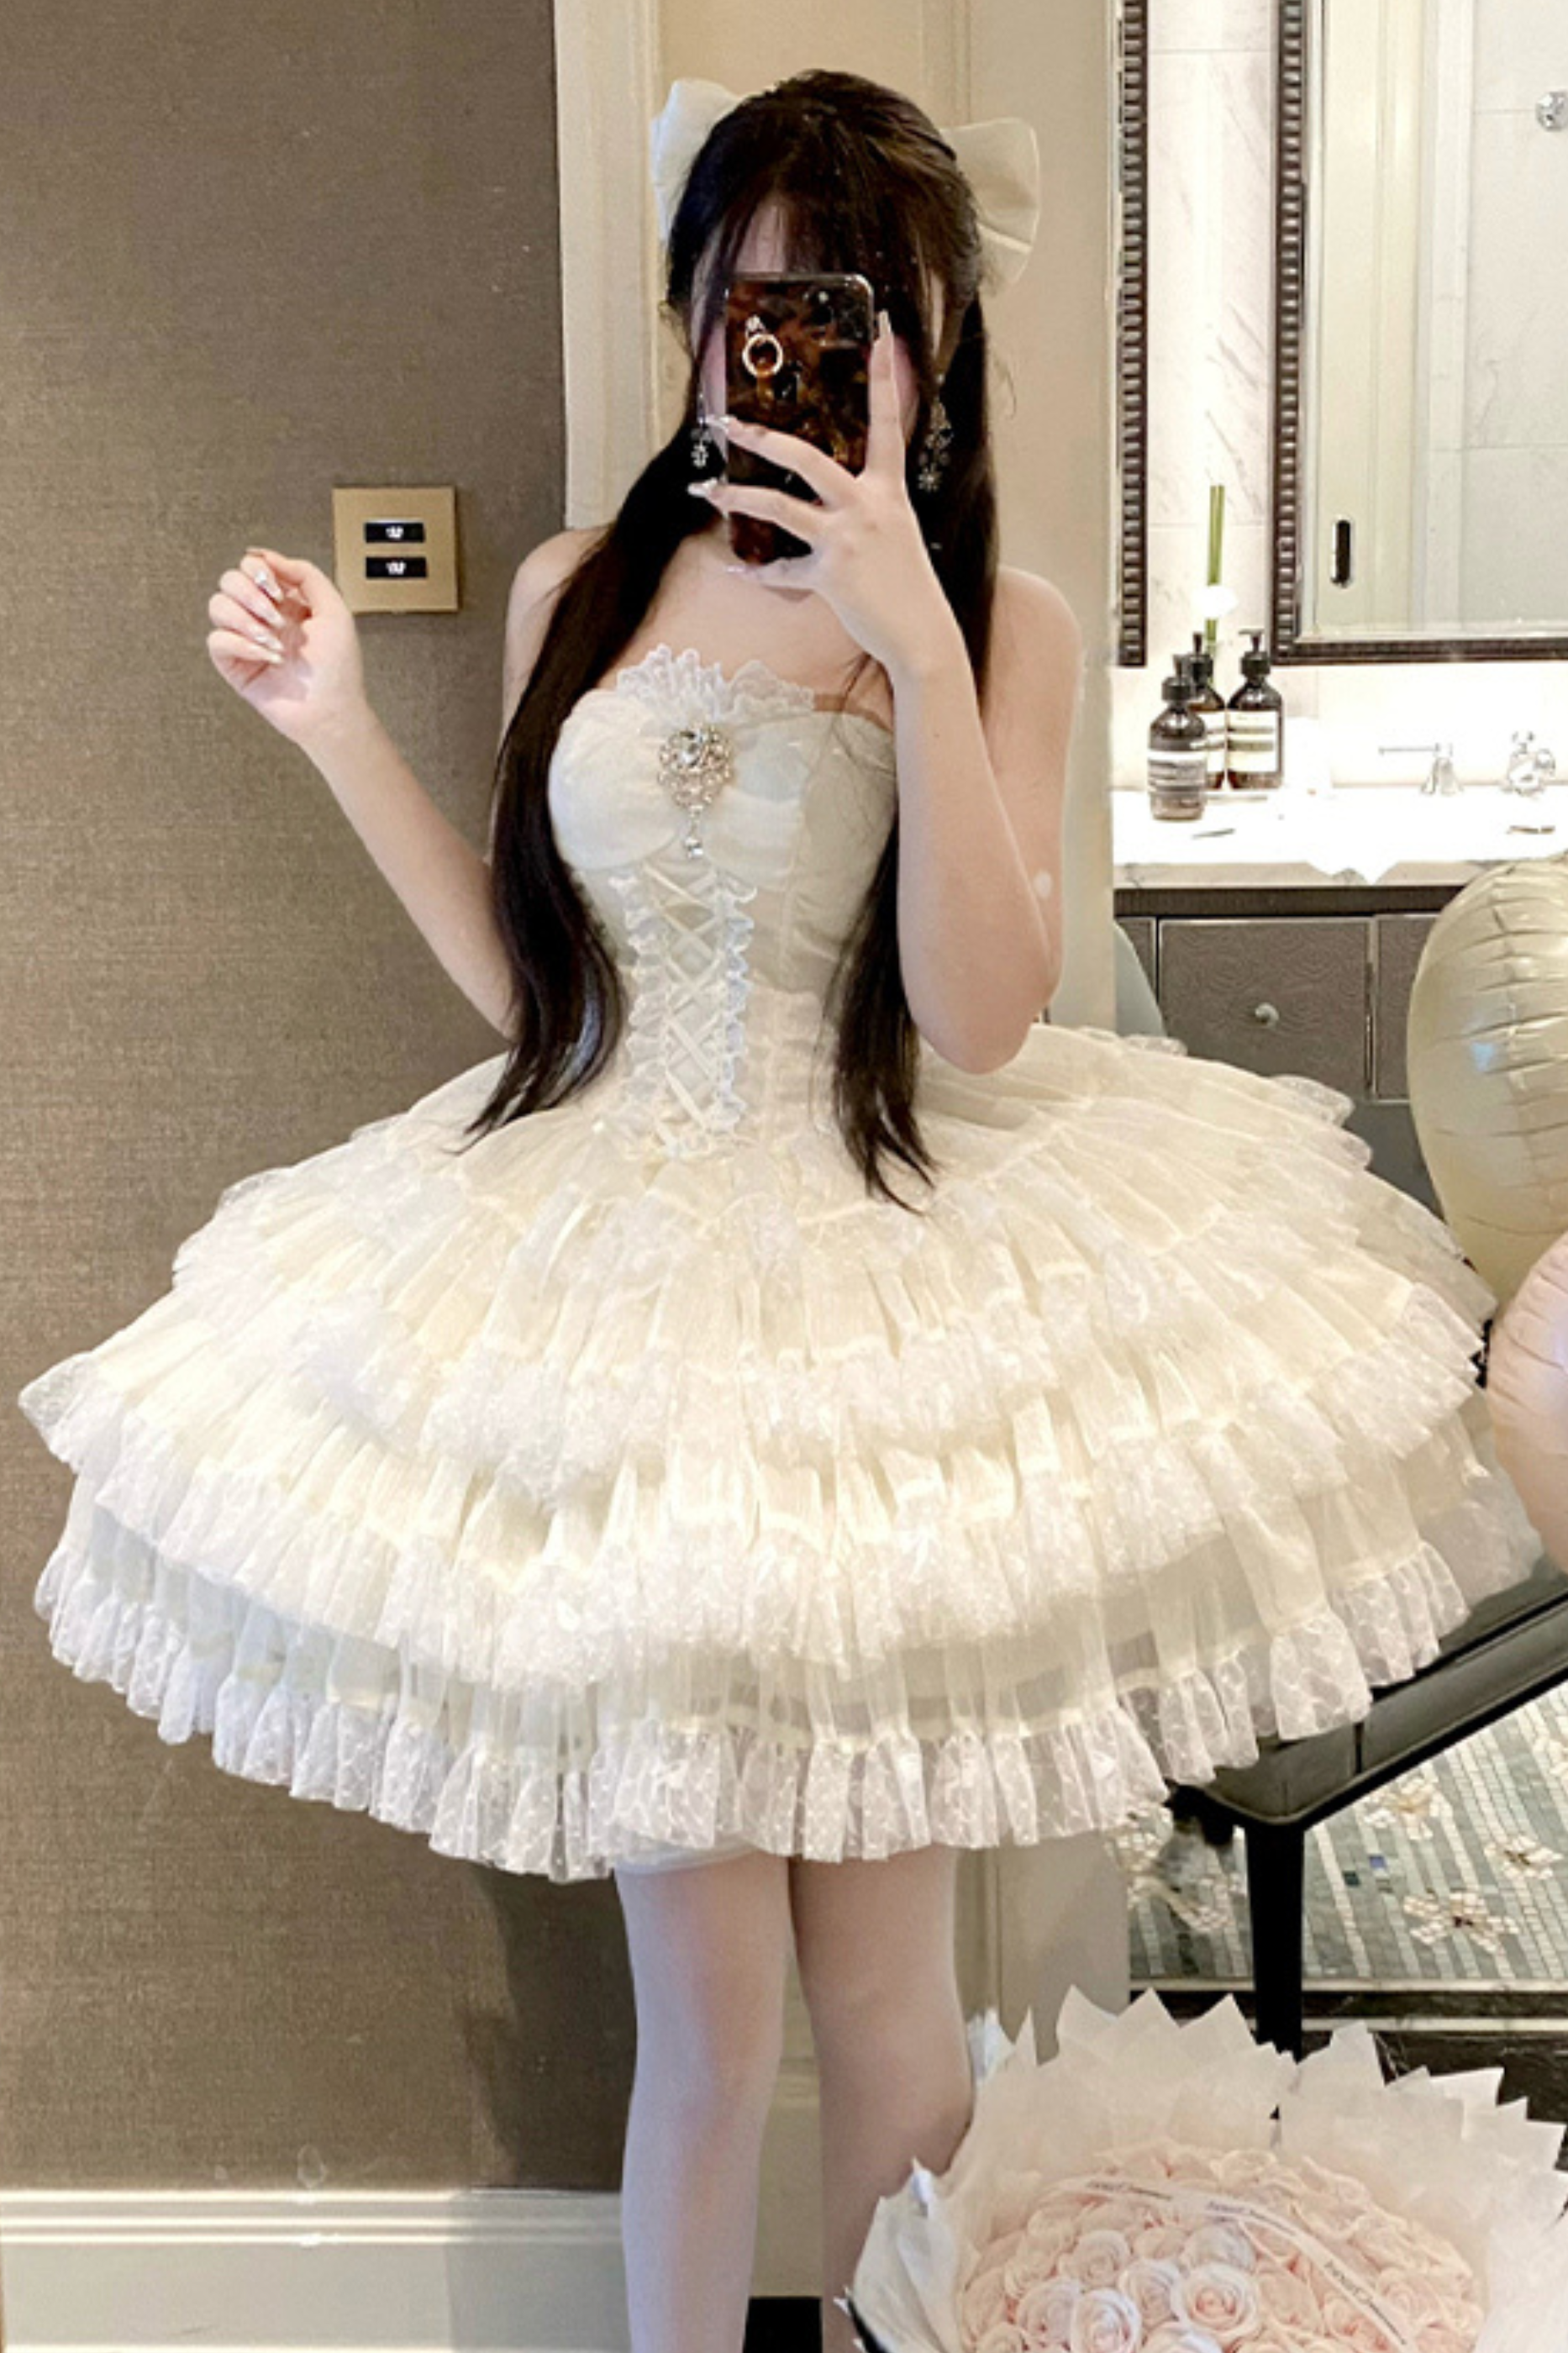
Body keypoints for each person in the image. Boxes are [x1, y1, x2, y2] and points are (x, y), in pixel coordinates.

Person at [15, 66, 1542, 2353]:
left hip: (886, 1290)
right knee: (711, 2021)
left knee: (892, 2003)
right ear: (695, 319)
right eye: (759, 302)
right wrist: (335, 720)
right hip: (615, 1313)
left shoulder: (1002, 619)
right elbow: (539, 997)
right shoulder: (579, 586)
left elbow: (984, 1016)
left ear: (937, 339)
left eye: (857, 307)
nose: (805, 347)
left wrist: (914, 636)